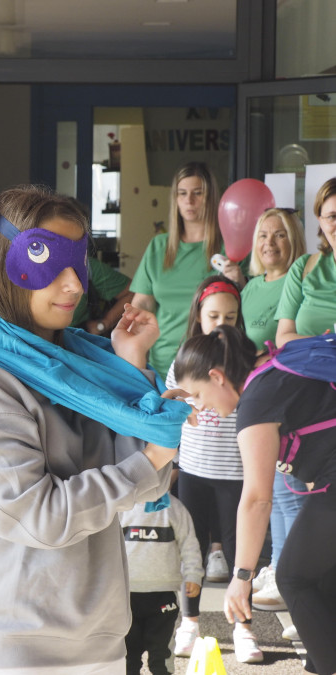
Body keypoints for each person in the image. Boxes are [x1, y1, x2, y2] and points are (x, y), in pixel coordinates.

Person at [0, 185, 190, 674]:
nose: (74, 284)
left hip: (100, 639)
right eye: (49, 261)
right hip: (12, 646)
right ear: (3, 263)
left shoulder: (86, 365)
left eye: (79, 261)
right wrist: (152, 452)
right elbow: (41, 516)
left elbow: (148, 487)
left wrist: (132, 370)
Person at [173, 324, 336, 675]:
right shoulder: (275, 367)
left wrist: (242, 577)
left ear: (216, 376)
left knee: (293, 578)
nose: (200, 409)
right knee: (322, 575)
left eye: (197, 395)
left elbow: (257, 498)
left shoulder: (256, 401)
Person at [163, 275, 263, 663]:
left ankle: (244, 626)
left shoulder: (244, 366)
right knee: (192, 548)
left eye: (230, 316)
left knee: (241, 552)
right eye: (213, 315)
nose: (221, 323)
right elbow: (170, 402)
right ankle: (190, 621)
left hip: (237, 475)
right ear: (198, 316)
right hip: (194, 470)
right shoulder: (185, 360)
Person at [240, 207, 307, 617]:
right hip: (255, 398)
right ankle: (282, 571)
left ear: (293, 239)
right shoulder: (249, 287)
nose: (269, 244)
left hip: (285, 397)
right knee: (275, 494)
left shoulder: (298, 282)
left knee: (285, 493)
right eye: (263, 235)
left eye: (279, 235)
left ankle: (290, 574)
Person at [131, 162, 244, 375]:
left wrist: (240, 281)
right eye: (182, 193)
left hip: (213, 363)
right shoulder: (159, 246)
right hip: (162, 363)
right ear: (175, 199)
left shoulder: (229, 246)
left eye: (197, 193)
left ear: (211, 197)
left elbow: (245, 305)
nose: (189, 201)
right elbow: (142, 303)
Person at [120, 486, 203, 675]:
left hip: (163, 594)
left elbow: (189, 543)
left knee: (162, 652)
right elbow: (105, 549)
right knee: (127, 654)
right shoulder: (120, 507)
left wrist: (193, 574)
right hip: (126, 594)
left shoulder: (174, 507)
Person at [275, 177, 336, 347]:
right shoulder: (304, 267)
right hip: (306, 370)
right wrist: (324, 343)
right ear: (320, 221)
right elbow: (282, 338)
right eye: (332, 217)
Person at [74, 255, 134, 336]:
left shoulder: (89, 267)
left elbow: (130, 292)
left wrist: (104, 324)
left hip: (80, 336)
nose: (74, 286)